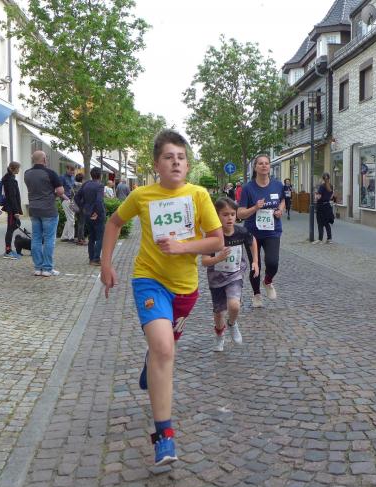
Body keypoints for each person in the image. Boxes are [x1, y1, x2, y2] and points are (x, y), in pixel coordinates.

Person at [100, 129, 223, 466]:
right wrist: (106, 264)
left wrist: (183, 247)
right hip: (149, 280)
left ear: (188, 164)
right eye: (169, 157)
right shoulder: (142, 196)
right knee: (165, 349)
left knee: (161, 349)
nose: (176, 163)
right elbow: (113, 223)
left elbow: (216, 240)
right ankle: (164, 437)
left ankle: (150, 361)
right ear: (157, 164)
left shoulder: (198, 195)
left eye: (181, 157)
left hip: (185, 289)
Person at [201, 197, 259, 352]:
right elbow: (204, 261)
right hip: (216, 278)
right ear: (217, 215)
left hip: (235, 274)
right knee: (219, 313)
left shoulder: (241, 232)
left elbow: (252, 241)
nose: (230, 218)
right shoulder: (212, 236)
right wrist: (218, 258)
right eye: (225, 214)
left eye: (232, 214)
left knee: (234, 305)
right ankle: (220, 335)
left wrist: (255, 261)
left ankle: (232, 323)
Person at [237, 154, 285, 308]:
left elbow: (282, 200)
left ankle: (268, 281)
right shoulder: (248, 188)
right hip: (252, 233)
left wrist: (280, 210)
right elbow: (240, 214)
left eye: (266, 163)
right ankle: (256, 294)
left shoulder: (278, 185)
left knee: (273, 263)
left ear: (269, 166)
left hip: (272, 231)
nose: (264, 165)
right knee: (254, 265)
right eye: (260, 163)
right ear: (255, 167)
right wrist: (255, 207)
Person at [24, 151, 67, 277]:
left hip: (33, 209)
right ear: (44, 159)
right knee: (49, 239)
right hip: (48, 210)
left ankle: (38, 268)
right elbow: (60, 191)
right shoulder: (50, 173)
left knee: (36, 238)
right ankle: (47, 268)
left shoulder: (27, 173)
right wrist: (52, 194)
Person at [75, 166, 106, 266]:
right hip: (97, 215)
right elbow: (99, 201)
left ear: (91, 175)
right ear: (100, 175)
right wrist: (97, 212)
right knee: (100, 237)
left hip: (87, 213)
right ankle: (96, 259)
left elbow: (76, 197)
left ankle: (91, 258)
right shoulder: (100, 186)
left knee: (91, 237)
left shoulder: (86, 184)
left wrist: (83, 207)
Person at [1, 161, 23, 260]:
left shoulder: (10, 178)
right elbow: (12, 197)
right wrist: (16, 211)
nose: (19, 170)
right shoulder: (10, 180)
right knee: (10, 229)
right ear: (13, 169)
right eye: (18, 168)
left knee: (16, 225)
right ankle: (8, 250)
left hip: (12, 208)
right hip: (11, 209)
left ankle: (9, 249)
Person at [314, 173, 335, 243]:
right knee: (326, 223)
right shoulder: (331, 186)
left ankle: (320, 239)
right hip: (327, 206)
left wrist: (316, 195)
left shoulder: (322, 186)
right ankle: (329, 239)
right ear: (329, 178)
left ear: (322, 178)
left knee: (320, 223)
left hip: (321, 207)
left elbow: (318, 197)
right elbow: (331, 197)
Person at [59, 164, 76, 242]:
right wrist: (66, 198)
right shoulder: (62, 177)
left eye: (73, 170)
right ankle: (71, 237)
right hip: (65, 200)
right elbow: (58, 190)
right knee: (71, 219)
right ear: (67, 169)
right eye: (71, 170)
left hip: (71, 199)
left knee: (69, 218)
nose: (72, 172)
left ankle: (64, 237)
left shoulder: (72, 177)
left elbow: (72, 188)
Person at [73, 172, 88, 246]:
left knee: (79, 222)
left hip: (76, 206)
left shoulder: (73, 186)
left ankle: (78, 238)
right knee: (82, 223)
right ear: (82, 179)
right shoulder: (83, 187)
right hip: (82, 206)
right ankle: (81, 239)